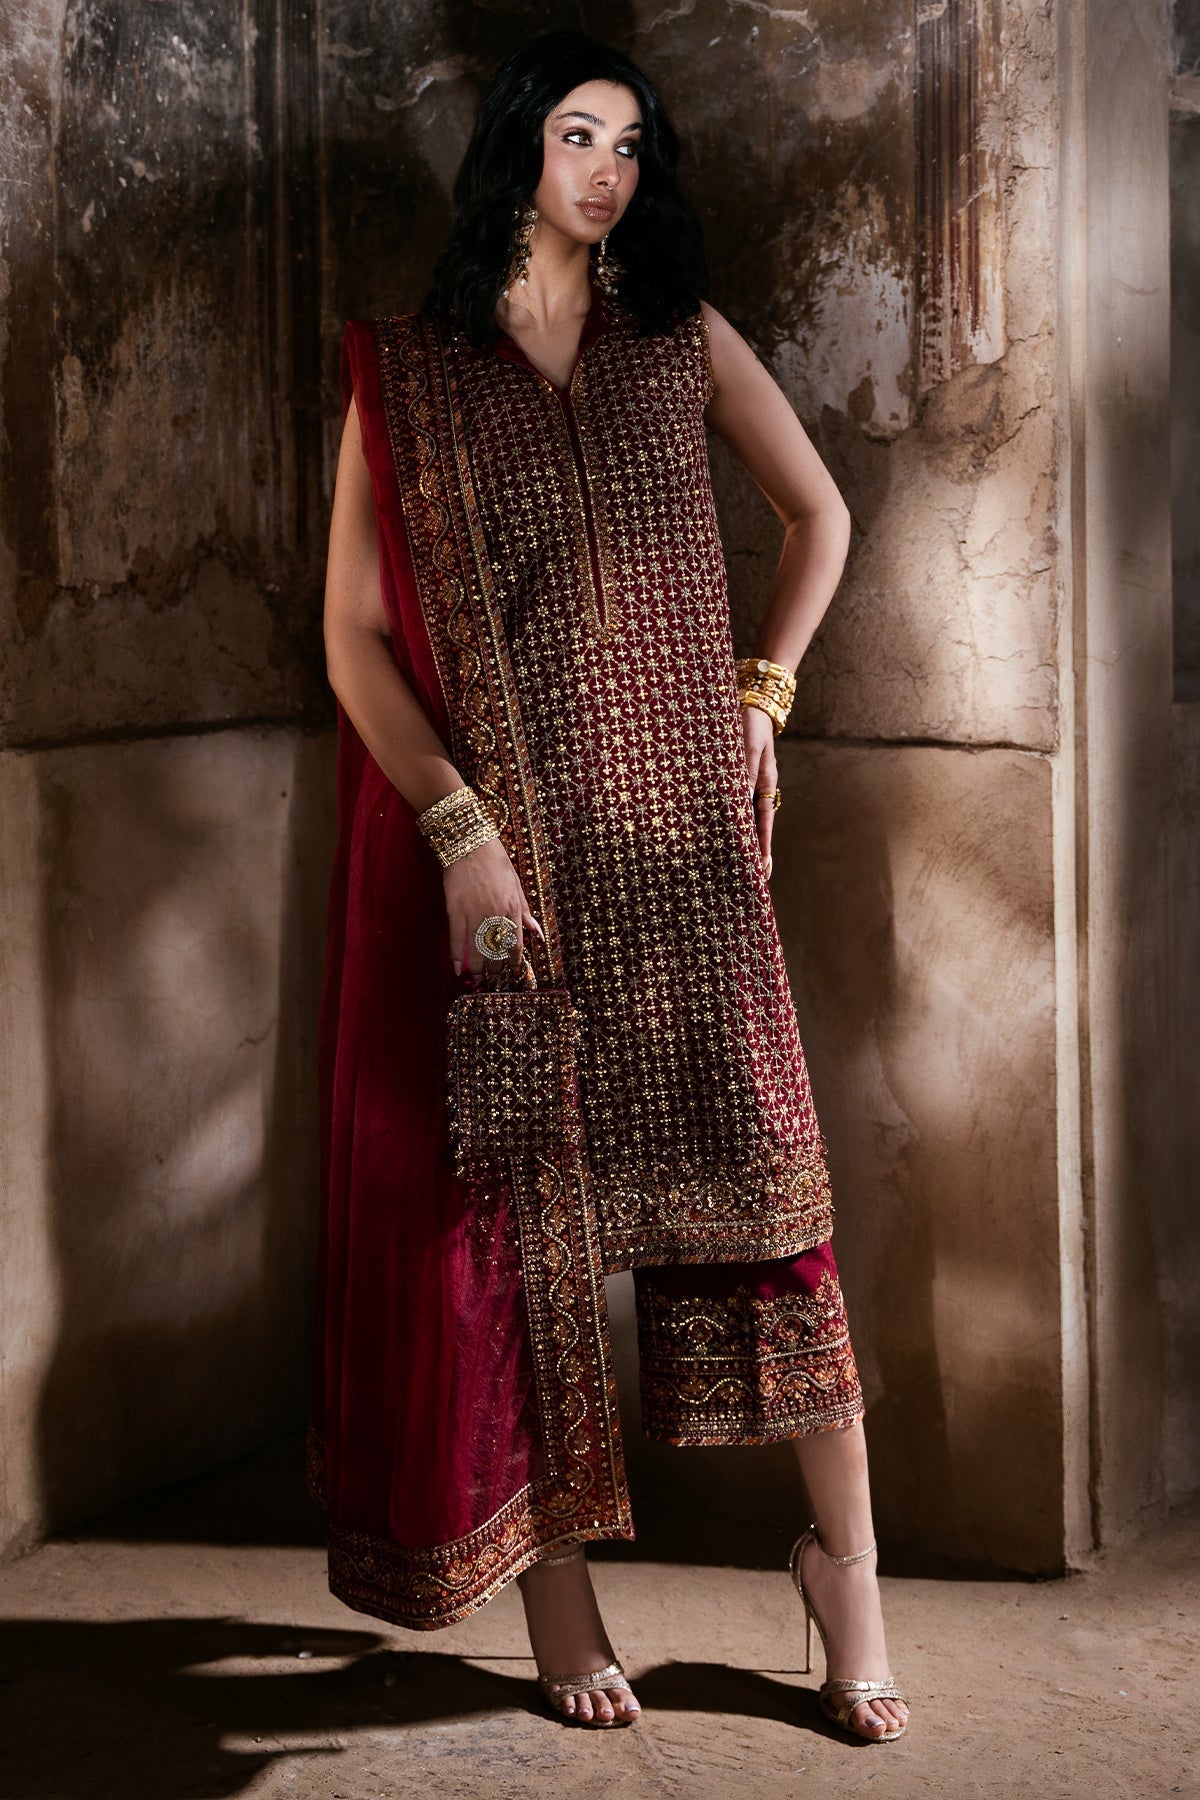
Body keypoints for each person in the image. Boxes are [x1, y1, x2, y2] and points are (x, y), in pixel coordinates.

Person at [313, 29, 909, 1744]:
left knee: (774, 1204)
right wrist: (459, 839)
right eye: (579, 136)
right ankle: (559, 1597)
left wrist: (763, 701)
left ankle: (847, 1573)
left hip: (692, 862)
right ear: (520, 147)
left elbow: (820, 516)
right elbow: (353, 639)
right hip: (517, 874)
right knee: (523, 1229)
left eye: (632, 147)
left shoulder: (678, 339)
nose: (606, 171)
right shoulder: (408, 375)